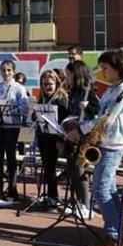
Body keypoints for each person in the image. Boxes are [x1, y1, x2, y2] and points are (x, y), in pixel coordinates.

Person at [70, 50, 123, 246]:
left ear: (119, 68)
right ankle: (117, 231)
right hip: (105, 143)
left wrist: (81, 130)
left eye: (106, 68)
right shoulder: (111, 90)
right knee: (107, 188)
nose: (103, 72)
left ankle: (114, 238)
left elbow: (107, 118)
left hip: (112, 146)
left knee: (100, 190)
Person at [63, 59, 100, 217]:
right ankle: (76, 202)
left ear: (75, 74)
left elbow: (98, 111)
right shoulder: (74, 92)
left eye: (68, 74)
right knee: (71, 169)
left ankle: (86, 205)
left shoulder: (88, 90)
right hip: (73, 134)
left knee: (80, 169)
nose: (67, 77)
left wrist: (88, 107)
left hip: (84, 135)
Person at [0, 60, 29, 201]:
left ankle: (12, 189)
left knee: (11, 157)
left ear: (13, 71)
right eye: (3, 70)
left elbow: (24, 107)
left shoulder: (19, 88)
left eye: (9, 70)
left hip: (12, 127)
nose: (6, 73)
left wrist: (11, 110)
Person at [35, 69, 69, 208]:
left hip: (56, 138)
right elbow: (36, 117)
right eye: (44, 84)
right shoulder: (42, 98)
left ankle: (53, 197)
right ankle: (50, 195)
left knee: (50, 167)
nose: (47, 87)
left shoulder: (61, 99)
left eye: (50, 84)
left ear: (56, 83)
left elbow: (64, 119)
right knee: (47, 167)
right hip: (43, 136)